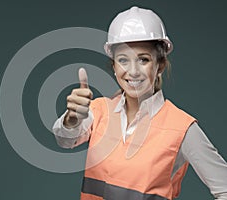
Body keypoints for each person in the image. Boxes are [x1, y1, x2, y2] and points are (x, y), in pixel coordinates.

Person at [53, 6, 227, 200]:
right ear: (114, 66)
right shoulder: (98, 110)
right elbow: (65, 140)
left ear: (160, 65)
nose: (133, 71)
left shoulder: (182, 127)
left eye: (143, 60)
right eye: (123, 60)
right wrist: (71, 118)